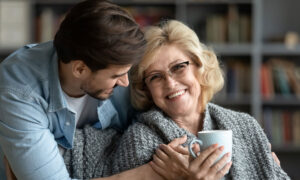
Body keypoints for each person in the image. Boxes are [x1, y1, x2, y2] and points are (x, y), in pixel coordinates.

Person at [61, 20, 289, 180]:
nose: (170, 84)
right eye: (156, 77)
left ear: (200, 67)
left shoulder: (245, 125)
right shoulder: (142, 140)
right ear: (147, 89)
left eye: (179, 67)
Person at [0, 0, 182, 179]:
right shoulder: (18, 92)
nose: (126, 83)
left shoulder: (117, 59)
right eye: (116, 76)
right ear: (79, 69)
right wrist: (153, 172)